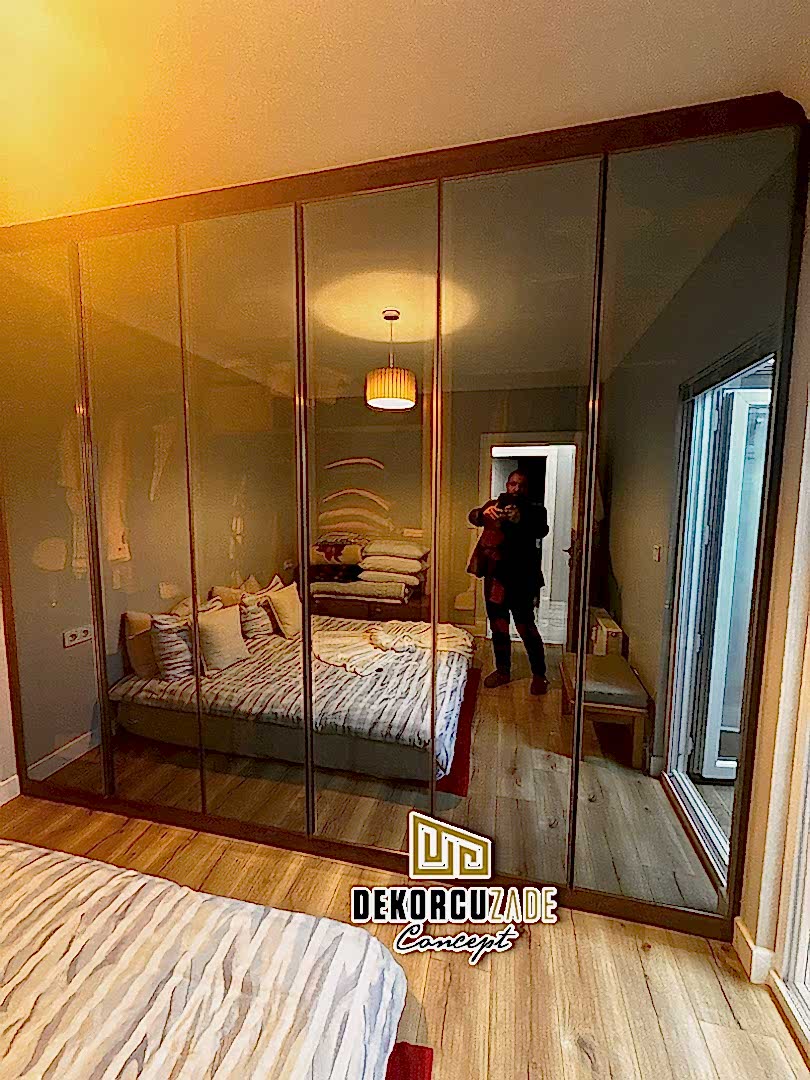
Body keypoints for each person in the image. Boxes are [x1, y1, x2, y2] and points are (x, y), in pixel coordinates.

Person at [467, 469, 550, 695]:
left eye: (521, 485)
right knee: (498, 627)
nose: (516, 488)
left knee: (526, 627)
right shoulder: (494, 504)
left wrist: (519, 520)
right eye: (513, 484)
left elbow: (541, 530)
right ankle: (503, 671)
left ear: (527, 488)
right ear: (507, 485)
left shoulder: (536, 510)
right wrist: (483, 512)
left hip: (522, 580)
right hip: (495, 579)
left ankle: (540, 675)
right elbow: (473, 517)